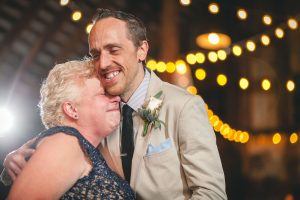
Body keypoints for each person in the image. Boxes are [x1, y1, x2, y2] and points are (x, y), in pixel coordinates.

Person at [2, 9, 227, 199]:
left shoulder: (183, 106)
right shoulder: (103, 113)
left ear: (142, 50)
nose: (103, 63)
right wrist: (18, 155)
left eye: (113, 49)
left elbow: (211, 194)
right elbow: (64, 139)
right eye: (96, 54)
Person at [6, 60, 135, 199]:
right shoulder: (65, 143)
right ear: (72, 109)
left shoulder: (91, 151)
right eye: (104, 93)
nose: (116, 98)